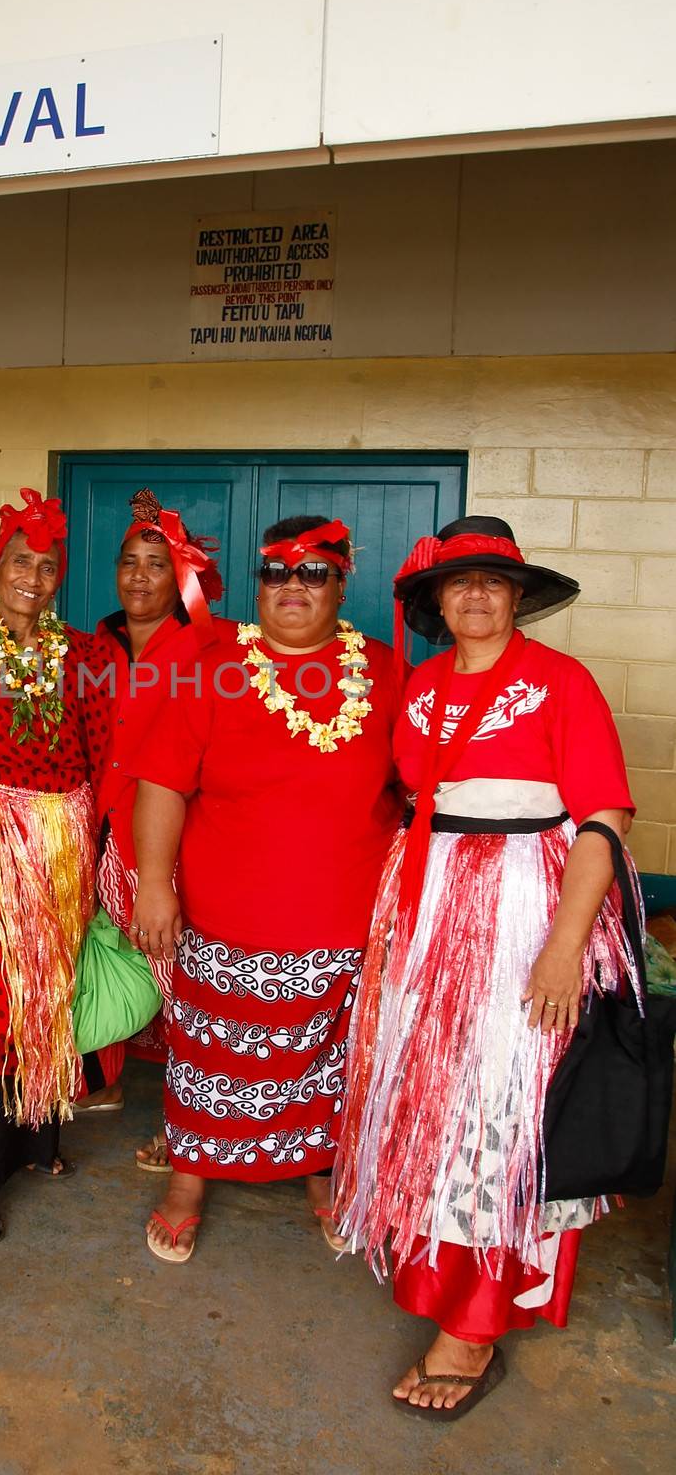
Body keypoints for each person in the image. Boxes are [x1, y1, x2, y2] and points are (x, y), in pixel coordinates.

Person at [334, 516, 638, 1419]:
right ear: (436, 600)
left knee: (498, 1107)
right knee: (432, 1096)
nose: (474, 597)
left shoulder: (560, 682)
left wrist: (559, 949)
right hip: (430, 906)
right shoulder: (420, 685)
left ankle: (474, 1320)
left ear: (516, 597)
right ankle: (438, 1274)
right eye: (457, 583)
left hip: (521, 910)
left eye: (493, 584)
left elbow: (603, 819)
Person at [128, 515, 402, 1262]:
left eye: (313, 573)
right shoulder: (210, 663)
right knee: (211, 1060)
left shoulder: (382, 669)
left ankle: (317, 1174)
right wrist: (155, 884)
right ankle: (188, 1181)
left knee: (325, 1066)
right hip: (227, 915)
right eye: (276, 572)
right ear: (257, 586)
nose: (292, 587)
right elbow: (159, 783)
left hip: (344, 918)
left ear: (342, 585)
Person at [0, 488, 112, 1241]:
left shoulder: (87, 653)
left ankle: (40, 1138)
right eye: (19, 562)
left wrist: (98, 868)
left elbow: (102, 765)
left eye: (46, 567)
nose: (31, 579)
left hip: (64, 848)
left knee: (49, 996)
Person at [79, 488, 222, 1174]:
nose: (139, 577)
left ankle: (189, 1124)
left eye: (156, 565)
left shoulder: (204, 649)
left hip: (164, 848)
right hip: (97, 836)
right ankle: (100, 1081)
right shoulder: (93, 647)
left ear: (181, 578)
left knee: (182, 988)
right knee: (104, 962)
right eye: (128, 562)